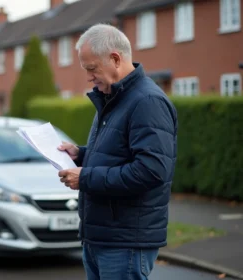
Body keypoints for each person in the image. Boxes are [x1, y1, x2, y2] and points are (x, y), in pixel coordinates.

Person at [57, 23, 178, 280]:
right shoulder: (114, 98)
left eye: (92, 69)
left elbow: (151, 170)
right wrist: (80, 154)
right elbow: (117, 154)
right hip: (102, 236)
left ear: (115, 59)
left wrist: (85, 177)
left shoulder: (147, 102)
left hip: (124, 241)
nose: (89, 77)